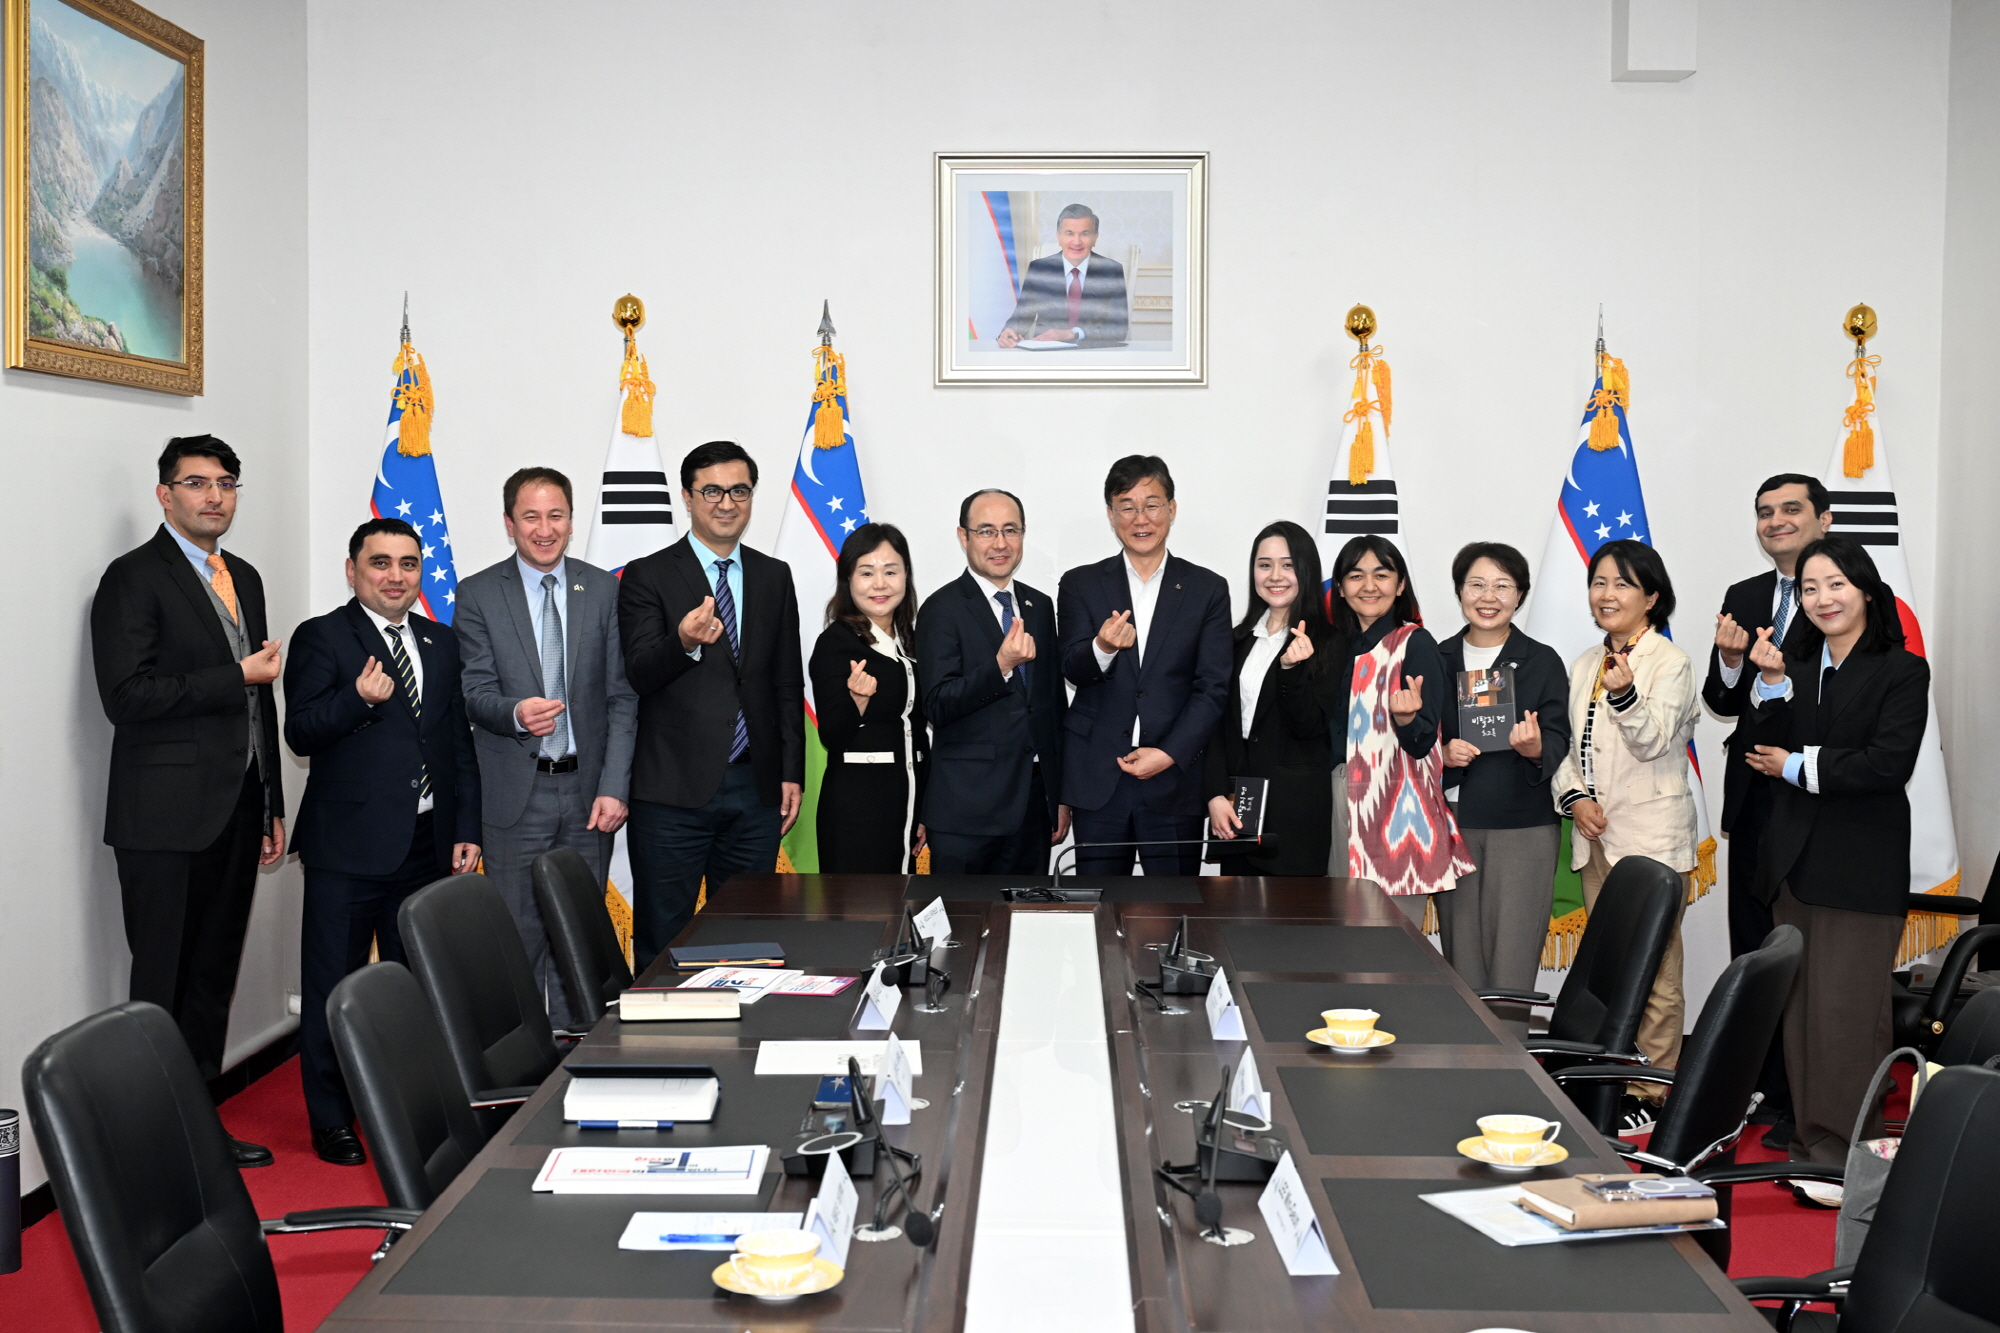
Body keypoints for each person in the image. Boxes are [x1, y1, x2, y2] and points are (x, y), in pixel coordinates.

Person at [89, 436, 286, 1169]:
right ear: (164, 494)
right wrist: (234, 674)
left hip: (238, 806)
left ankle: (200, 1130)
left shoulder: (246, 577)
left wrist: (271, 799)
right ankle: (151, 1148)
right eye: (197, 483)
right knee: (162, 983)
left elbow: (263, 701)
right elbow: (126, 696)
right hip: (163, 819)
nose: (214, 496)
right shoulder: (132, 577)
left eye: (226, 483)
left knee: (212, 980)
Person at [285, 519, 481, 1165]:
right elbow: (301, 731)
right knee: (333, 984)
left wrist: (466, 829)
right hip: (348, 847)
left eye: (408, 563)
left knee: (411, 985)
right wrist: (357, 699)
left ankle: (404, 1103)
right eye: (380, 562)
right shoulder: (322, 636)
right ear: (352, 570)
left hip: (427, 843)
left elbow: (455, 744)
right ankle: (332, 1118)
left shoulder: (441, 640)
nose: (396, 576)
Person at [1744, 535, 1927, 1174]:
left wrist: (1797, 765)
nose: (1823, 599)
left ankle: (1849, 1160)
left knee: (1846, 1020)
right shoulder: (1793, 667)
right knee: (1801, 1021)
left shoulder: (1902, 671)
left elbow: (1885, 765)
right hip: (1793, 868)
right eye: (1810, 588)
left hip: (1858, 872)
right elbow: (1757, 748)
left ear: (1866, 591)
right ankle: (1811, 1148)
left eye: (1836, 585)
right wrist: (1770, 684)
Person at [455, 467, 637, 1028]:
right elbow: (473, 692)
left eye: (556, 515)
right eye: (530, 516)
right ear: (509, 523)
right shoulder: (478, 593)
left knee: (579, 939)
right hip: (517, 795)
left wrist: (614, 786)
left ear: (572, 521)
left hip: (588, 796)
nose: (544, 529)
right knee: (518, 936)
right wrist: (515, 714)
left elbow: (622, 698)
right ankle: (523, 1062)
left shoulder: (603, 589)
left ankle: (579, 1049)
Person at [619, 441, 803, 963]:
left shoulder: (774, 575)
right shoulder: (647, 574)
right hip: (672, 794)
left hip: (756, 791)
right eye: (713, 491)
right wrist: (683, 643)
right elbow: (639, 673)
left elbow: (786, 682)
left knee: (745, 939)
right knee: (665, 940)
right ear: (688, 497)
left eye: (739, 490)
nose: (727, 503)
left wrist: (791, 772)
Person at [1703, 472, 1832, 1146]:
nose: (1775, 521)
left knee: (1804, 947)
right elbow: (1722, 699)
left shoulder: (1846, 593)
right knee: (1752, 945)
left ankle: (1800, 1096)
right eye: (1764, 512)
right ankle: (1757, 1084)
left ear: (1823, 519)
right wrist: (1730, 662)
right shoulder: (1745, 595)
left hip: (1815, 798)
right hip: (1754, 795)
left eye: (1790, 509)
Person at [1554, 539, 1699, 1131]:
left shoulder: (1671, 662)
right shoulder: (1584, 662)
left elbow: (1652, 740)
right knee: (1609, 971)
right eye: (1599, 582)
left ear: (1652, 597)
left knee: (1656, 972)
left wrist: (1625, 692)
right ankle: (1609, 1077)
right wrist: (1576, 798)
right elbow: (1570, 750)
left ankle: (1653, 1090)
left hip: (1652, 841)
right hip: (1596, 839)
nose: (1607, 594)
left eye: (1622, 584)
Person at [1059, 456, 1231, 875]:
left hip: (1174, 779)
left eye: (1152, 505)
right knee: (1099, 904)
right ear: (1111, 514)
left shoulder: (1207, 589)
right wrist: (1102, 646)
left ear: (1171, 509)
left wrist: (1169, 754)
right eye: (1127, 506)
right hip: (1099, 778)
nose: (1141, 518)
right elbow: (1071, 668)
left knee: (1174, 905)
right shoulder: (1080, 583)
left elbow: (1212, 687)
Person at [1435, 542, 1571, 1035]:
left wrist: (1536, 749)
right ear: (1459, 592)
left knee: (1512, 963)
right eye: (1477, 584)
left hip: (1523, 827)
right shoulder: (1436, 657)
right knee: (1462, 960)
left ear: (1520, 596)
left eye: (1501, 586)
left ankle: (1513, 1067)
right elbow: (1414, 737)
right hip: (1454, 827)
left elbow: (1559, 738)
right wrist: (1440, 754)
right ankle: (1467, 1063)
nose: (1488, 597)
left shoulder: (1541, 661)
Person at [916, 489, 1069, 876]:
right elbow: (936, 705)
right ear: (963, 536)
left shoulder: (1039, 605)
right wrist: (1001, 666)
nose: (1000, 543)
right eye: (986, 531)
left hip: (1033, 808)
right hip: (966, 812)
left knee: (1025, 912)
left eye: (1010, 530)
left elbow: (1051, 707)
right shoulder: (941, 608)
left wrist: (1059, 794)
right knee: (962, 915)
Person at [1325, 535, 1473, 924]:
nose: (1369, 586)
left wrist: (1406, 720)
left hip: (1394, 809)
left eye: (1381, 574)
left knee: (1390, 938)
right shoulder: (1335, 646)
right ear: (1340, 587)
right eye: (1356, 576)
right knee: (1340, 931)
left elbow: (1425, 742)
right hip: (1337, 797)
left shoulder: (1414, 643)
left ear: (1401, 584)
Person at [1204, 522, 1339, 875]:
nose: (1275, 576)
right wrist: (1215, 794)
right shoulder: (1236, 639)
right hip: (1237, 810)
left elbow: (1310, 726)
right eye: (1265, 565)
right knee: (1231, 909)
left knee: (1291, 911)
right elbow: (1215, 724)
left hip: (1294, 817)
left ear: (1307, 570)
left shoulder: (1331, 641)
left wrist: (1291, 670)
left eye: (1288, 565)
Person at [809, 525, 928, 872]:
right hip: (857, 813)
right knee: (861, 905)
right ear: (848, 578)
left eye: (890, 571)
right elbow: (832, 736)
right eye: (866, 572)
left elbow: (918, 730)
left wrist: (923, 807)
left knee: (905, 898)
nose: (880, 584)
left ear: (906, 575)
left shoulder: (913, 640)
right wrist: (857, 700)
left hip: (908, 805)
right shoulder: (836, 643)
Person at [996, 204, 1130, 347]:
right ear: (1059, 236)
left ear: (1095, 238)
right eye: (1069, 233)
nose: (1077, 242)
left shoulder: (1111, 271)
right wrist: (1007, 334)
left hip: (1093, 353)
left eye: (1085, 234)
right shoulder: (1039, 269)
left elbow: (1119, 329)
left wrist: (1073, 333)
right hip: (1047, 354)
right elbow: (1021, 319)